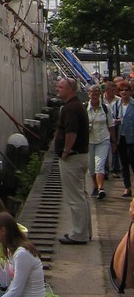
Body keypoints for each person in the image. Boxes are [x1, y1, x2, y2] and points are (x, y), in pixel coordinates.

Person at [54, 77, 91, 244]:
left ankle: (78, 234)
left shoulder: (70, 108)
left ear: (70, 89)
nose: (57, 88)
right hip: (81, 155)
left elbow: (71, 131)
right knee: (82, 196)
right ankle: (85, 231)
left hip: (73, 158)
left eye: (60, 87)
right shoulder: (77, 106)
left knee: (75, 198)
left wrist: (65, 151)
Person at [87, 84, 115, 199]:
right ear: (89, 94)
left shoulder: (105, 108)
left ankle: (100, 188)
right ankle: (95, 186)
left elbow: (111, 125)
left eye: (97, 94)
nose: (94, 96)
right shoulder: (84, 108)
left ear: (100, 95)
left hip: (103, 139)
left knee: (100, 164)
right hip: (89, 140)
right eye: (92, 94)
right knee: (91, 166)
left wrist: (114, 142)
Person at [116, 80, 134, 198]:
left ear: (130, 92)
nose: (124, 92)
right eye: (121, 90)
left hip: (132, 138)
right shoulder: (116, 105)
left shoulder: (133, 104)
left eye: (126, 90)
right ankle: (127, 187)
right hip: (120, 137)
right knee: (123, 163)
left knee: (133, 161)